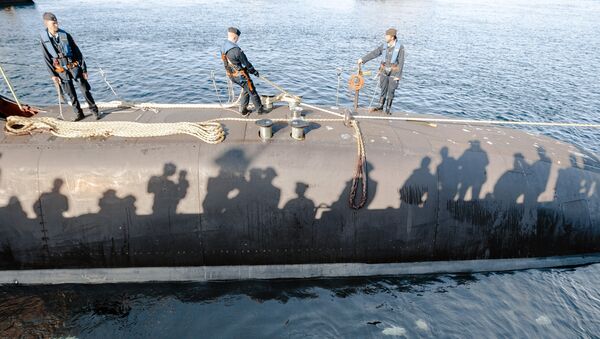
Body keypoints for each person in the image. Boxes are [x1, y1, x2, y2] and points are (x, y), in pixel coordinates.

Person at [40, 12, 101, 121]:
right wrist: (53, 75)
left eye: (57, 23)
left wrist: (84, 69)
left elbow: (78, 52)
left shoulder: (65, 35)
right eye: (53, 23)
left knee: (85, 91)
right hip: (61, 71)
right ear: (46, 24)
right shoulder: (44, 39)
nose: (57, 25)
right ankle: (79, 113)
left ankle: (94, 111)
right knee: (71, 94)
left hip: (75, 68)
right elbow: (46, 58)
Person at [357, 28, 405, 114]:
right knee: (383, 89)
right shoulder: (384, 46)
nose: (385, 37)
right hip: (383, 71)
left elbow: (401, 62)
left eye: (387, 36)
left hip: (393, 72)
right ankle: (380, 106)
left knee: (391, 90)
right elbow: (374, 53)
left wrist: (398, 76)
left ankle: (388, 109)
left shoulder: (400, 48)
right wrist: (363, 59)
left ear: (392, 37)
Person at [221, 27, 264, 115]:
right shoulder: (237, 50)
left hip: (230, 75)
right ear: (235, 37)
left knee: (246, 89)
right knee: (252, 90)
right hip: (240, 76)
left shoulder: (223, 46)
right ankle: (260, 110)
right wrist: (254, 72)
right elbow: (246, 64)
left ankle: (243, 110)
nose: (238, 40)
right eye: (237, 38)